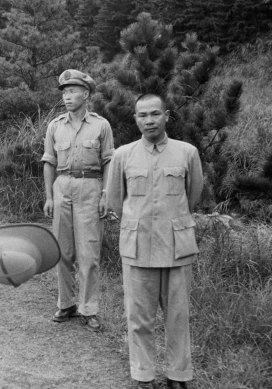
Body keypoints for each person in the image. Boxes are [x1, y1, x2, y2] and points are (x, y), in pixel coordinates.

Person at [106, 94, 203, 389]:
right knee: (139, 317)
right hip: (138, 246)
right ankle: (143, 374)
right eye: (142, 115)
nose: (149, 120)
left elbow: (194, 194)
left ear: (166, 116)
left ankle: (178, 374)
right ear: (135, 119)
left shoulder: (187, 152)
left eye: (155, 114)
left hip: (176, 246)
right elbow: (114, 199)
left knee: (178, 316)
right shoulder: (123, 155)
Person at [41, 69, 114, 331]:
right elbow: (49, 163)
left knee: (89, 252)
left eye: (72, 91)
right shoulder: (55, 126)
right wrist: (49, 196)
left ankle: (89, 308)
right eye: (64, 92)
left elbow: (109, 162)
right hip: (62, 187)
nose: (67, 97)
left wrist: (106, 195)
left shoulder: (101, 125)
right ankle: (66, 303)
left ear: (85, 94)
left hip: (90, 187)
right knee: (63, 250)